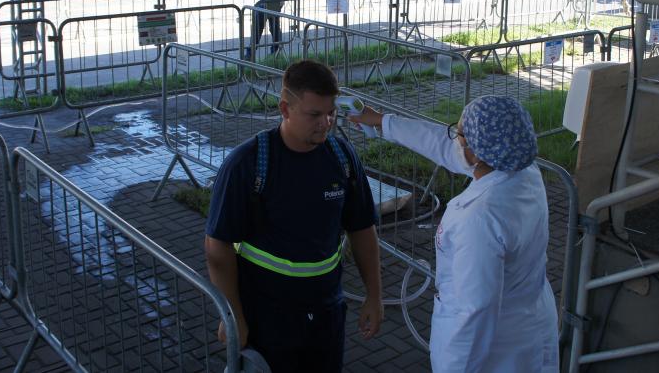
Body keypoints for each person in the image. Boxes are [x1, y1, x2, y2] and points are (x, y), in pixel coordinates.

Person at [350, 95, 559, 373]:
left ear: (475, 151)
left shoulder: (481, 218)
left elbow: (474, 311)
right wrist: (384, 123)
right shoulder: (521, 169)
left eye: (459, 134)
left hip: (495, 349)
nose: (455, 140)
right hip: (527, 324)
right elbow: (443, 146)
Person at [205, 60, 383, 373]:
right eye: (314, 114)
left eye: (332, 113)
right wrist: (233, 316)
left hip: (326, 314)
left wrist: (375, 296)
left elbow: (362, 229)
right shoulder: (248, 164)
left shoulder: (342, 157)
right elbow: (217, 246)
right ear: (285, 109)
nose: (326, 123)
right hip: (266, 320)